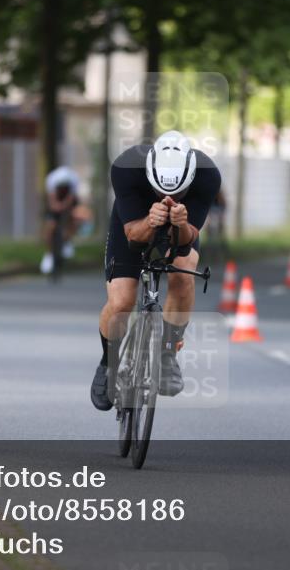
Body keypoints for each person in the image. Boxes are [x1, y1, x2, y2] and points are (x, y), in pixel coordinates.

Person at [90, 130, 221, 411]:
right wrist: (151, 221)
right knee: (122, 301)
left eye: (177, 193)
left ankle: (167, 353)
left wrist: (181, 224)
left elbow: (187, 239)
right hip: (134, 222)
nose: (168, 197)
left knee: (184, 277)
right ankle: (108, 362)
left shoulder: (208, 175)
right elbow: (133, 236)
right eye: (161, 192)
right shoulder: (127, 168)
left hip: (181, 228)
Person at [40, 165, 90, 274]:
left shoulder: (73, 181)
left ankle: (67, 241)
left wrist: (65, 207)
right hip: (56, 202)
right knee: (50, 226)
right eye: (60, 187)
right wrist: (57, 207)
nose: (62, 188)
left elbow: (71, 199)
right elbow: (52, 201)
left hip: (69, 203)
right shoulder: (51, 181)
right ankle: (49, 253)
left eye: (64, 186)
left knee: (73, 217)